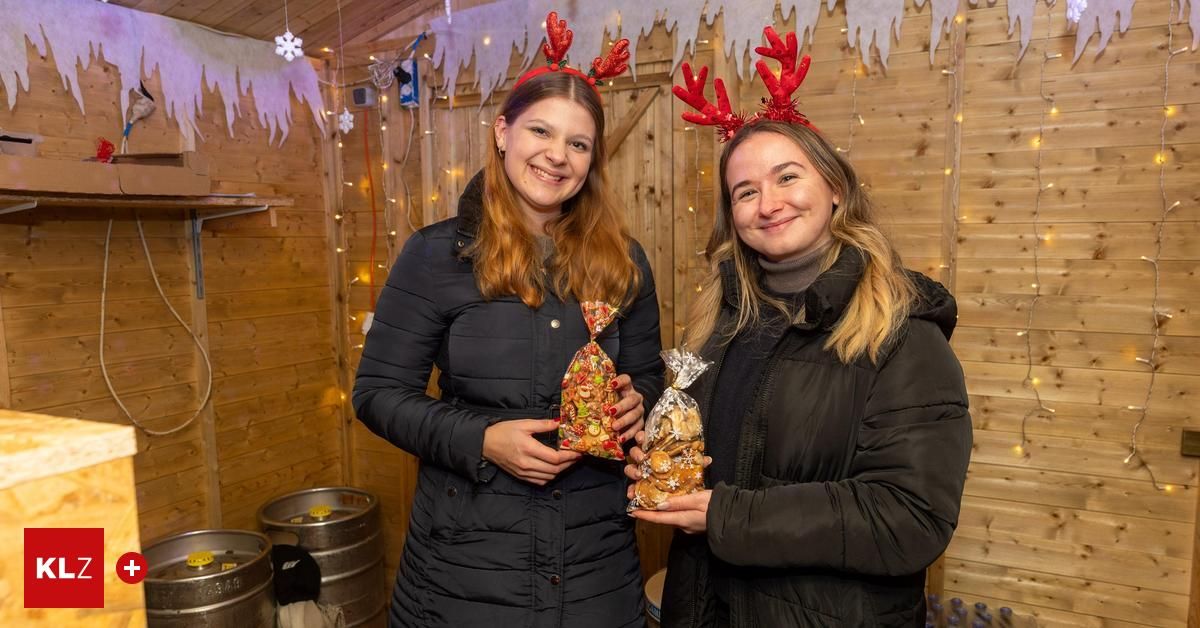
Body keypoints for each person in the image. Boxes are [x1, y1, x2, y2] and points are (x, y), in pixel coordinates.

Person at [627, 28, 973, 627]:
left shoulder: (901, 331)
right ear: (732, 218)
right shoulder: (718, 325)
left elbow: (911, 519)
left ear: (835, 189)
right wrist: (657, 456)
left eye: (788, 177)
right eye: (745, 191)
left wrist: (724, 516)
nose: (768, 203)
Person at [354, 14, 663, 628]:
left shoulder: (624, 261)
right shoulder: (436, 254)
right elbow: (377, 395)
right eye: (541, 131)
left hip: (594, 562)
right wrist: (482, 440)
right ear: (503, 133)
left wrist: (639, 402)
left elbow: (647, 372)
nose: (557, 156)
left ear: (592, 159)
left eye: (578, 144)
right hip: (465, 570)